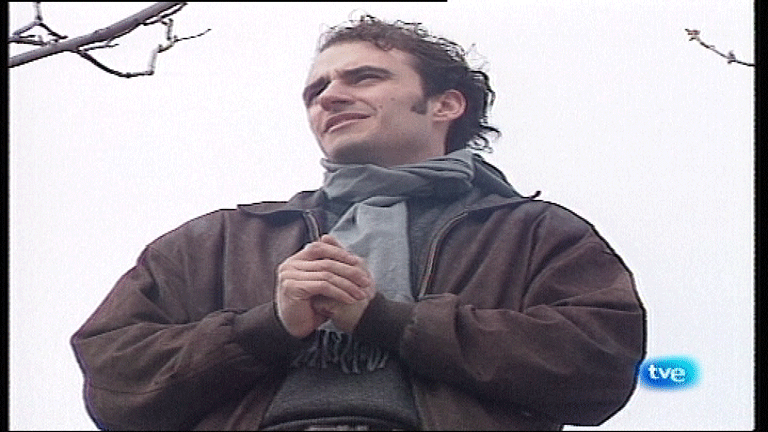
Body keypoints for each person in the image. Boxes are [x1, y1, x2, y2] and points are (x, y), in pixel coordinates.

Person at [71, 14, 646, 431]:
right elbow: (114, 380)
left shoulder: (536, 235)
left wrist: (386, 320)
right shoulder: (216, 241)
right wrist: (267, 328)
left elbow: (597, 367)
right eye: (316, 90)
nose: (329, 98)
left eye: (363, 78)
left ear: (445, 104)